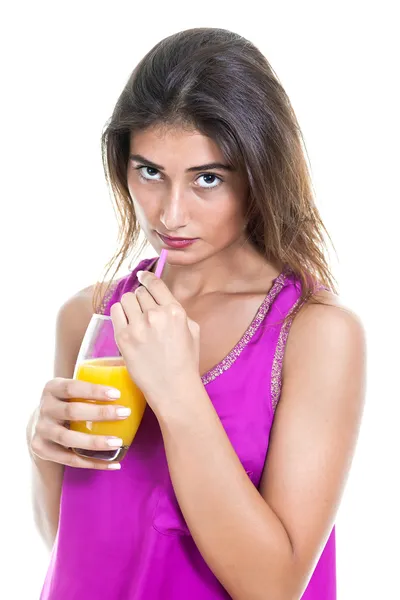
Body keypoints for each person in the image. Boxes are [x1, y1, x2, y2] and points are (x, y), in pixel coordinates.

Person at [27, 27, 366, 600]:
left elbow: (275, 587)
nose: (170, 213)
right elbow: (68, 542)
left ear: (261, 174)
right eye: (150, 172)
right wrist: (41, 450)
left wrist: (179, 394)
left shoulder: (316, 333)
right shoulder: (91, 317)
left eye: (208, 178)